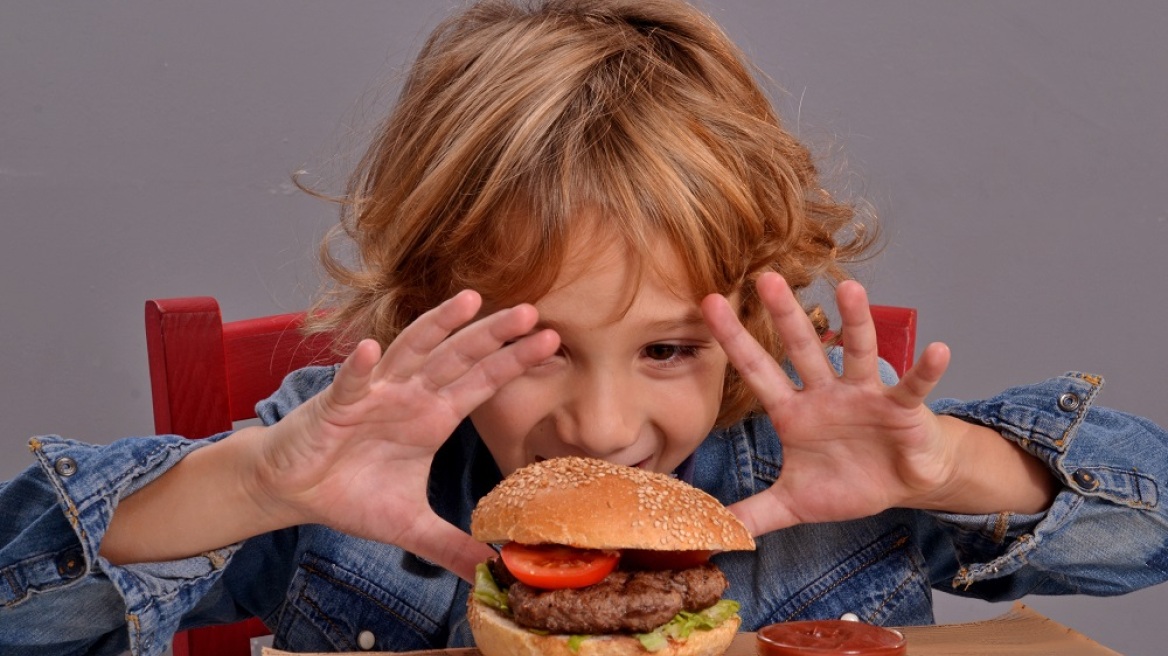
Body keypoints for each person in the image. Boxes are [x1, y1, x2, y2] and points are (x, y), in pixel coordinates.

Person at [3, 0, 1167, 654]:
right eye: (538, 343)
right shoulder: (345, 472)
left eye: (668, 347)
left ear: (756, 323)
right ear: (425, 310)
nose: (603, 427)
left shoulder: (829, 470)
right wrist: (252, 484)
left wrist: (953, 465)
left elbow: (1150, 527)